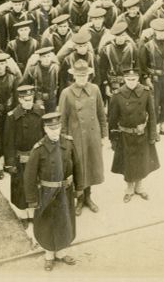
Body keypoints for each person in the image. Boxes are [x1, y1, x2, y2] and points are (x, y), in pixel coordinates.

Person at [24, 111, 78, 271]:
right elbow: (29, 176)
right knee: (47, 224)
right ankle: (49, 255)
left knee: (64, 222)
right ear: (45, 129)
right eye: (51, 129)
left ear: (61, 127)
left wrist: (80, 187)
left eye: (57, 128)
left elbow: (78, 165)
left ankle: (61, 252)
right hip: (46, 194)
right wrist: (32, 199)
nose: (55, 132)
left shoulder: (68, 143)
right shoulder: (39, 149)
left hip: (65, 192)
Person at [57, 58, 106, 215]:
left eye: (84, 75)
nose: (82, 78)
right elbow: (62, 119)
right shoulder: (66, 93)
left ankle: (88, 197)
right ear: (74, 76)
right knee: (79, 168)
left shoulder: (95, 89)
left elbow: (101, 113)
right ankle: (79, 199)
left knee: (91, 166)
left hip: (92, 135)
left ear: (88, 75)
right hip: (75, 137)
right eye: (79, 76)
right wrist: (64, 139)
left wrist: (103, 134)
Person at [108, 69, 159, 202]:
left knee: (142, 161)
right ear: (124, 79)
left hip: (142, 134)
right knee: (128, 164)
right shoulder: (117, 95)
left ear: (138, 79)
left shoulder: (146, 92)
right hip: (125, 135)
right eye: (128, 79)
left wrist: (153, 134)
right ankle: (129, 189)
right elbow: (112, 119)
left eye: (134, 79)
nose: (131, 82)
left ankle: (139, 187)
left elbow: (152, 115)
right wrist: (113, 138)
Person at [2, 84, 44, 228]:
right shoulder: (12, 117)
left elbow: (43, 134)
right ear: (20, 100)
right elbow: (8, 142)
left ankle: (33, 213)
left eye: (31, 99)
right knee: (20, 187)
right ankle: (23, 215)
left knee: (35, 185)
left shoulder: (40, 112)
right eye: (25, 100)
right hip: (20, 159)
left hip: (37, 157)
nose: (28, 102)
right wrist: (10, 163)